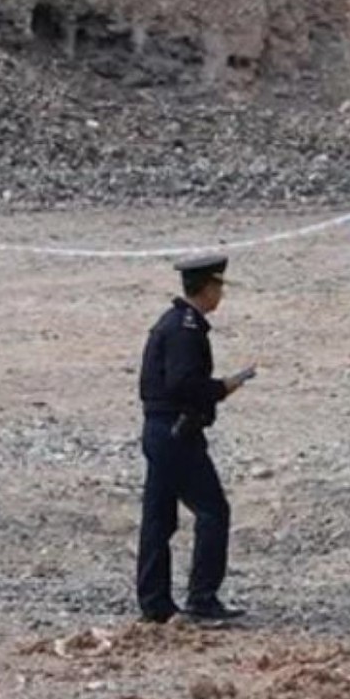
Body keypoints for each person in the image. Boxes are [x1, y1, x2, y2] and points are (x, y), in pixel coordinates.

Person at [135, 255, 254, 623]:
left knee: (159, 518)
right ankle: (202, 598)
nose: (220, 294)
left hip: (161, 430)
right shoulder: (185, 330)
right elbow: (182, 383)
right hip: (176, 432)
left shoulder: (174, 324)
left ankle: (155, 603)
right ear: (208, 287)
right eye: (218, 287)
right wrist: (224, 387)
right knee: (212, 511)